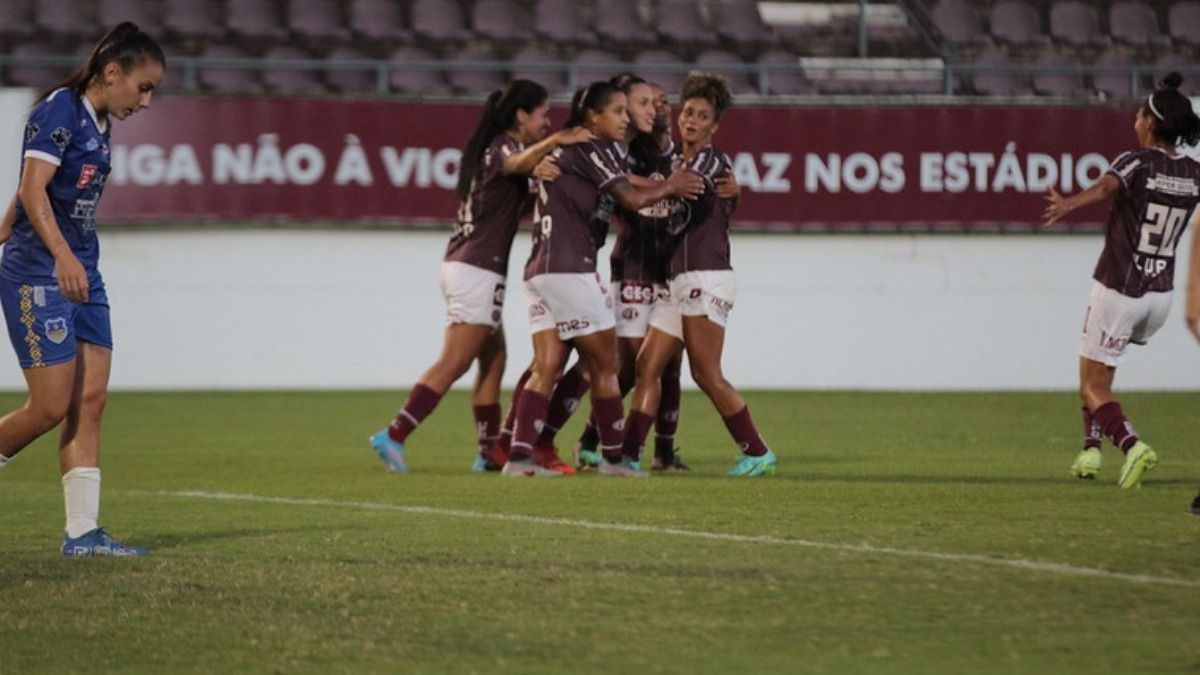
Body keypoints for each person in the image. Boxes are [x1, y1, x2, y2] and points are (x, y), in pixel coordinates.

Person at [367, 81, 592, 473]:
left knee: (494, 359)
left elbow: (518, 192)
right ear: (521, 115)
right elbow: (518, 164)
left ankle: (489, 453)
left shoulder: (494, 151)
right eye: (542, 115)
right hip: (477, 270)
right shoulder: (504, 146)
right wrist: (559, 140)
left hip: (467, 266)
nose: (546, 122)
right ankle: (394, 433)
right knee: (454, 362)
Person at [0, 22, 165, 556]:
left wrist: (8, 223)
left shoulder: (97, 121)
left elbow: (32, 188)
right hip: (40, 272)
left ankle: (83, 534)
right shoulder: (59, 111)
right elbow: (32, 187)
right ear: (111, 72)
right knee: (48, 408)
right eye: (143, 87)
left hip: (82, 274)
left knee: (90, 400)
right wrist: (61, 254)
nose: (147, 100)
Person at [501, 81, 704, 477]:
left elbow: (627, 183)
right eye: (623, 109)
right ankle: (613, 458)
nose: (629, 116)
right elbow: (629, 196)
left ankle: (520, 456)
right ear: (595, 115)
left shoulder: (581, 150)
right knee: (605, 361)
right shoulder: (592, 147)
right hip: (569, 266)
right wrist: (674, 186)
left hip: (539, 268)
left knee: (548, 366)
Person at [1043, 72, 1200, 490]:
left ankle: (1132, 446)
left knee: (1091, 383)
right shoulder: (1193, 173)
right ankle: (1090, 451)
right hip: (1159, 296)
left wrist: (1068, 204)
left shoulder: (1137, 161)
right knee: (1099, 369)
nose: (1134, 119)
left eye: (1139, 114)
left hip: (1120, 288)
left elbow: (1107, 186)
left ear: (1151, 123)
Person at [617, 73, 778, 477]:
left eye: (702, 116)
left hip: (706, 276)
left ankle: (757, 451)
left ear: (713, 126)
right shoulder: (676, 163)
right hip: (679, 280)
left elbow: (685, 187)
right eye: (688, 112)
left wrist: (612, 180)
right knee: (647, 366)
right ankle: (628, 457)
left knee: (705, 373)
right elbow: (681, 189)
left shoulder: (711, 162)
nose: (690, 120)